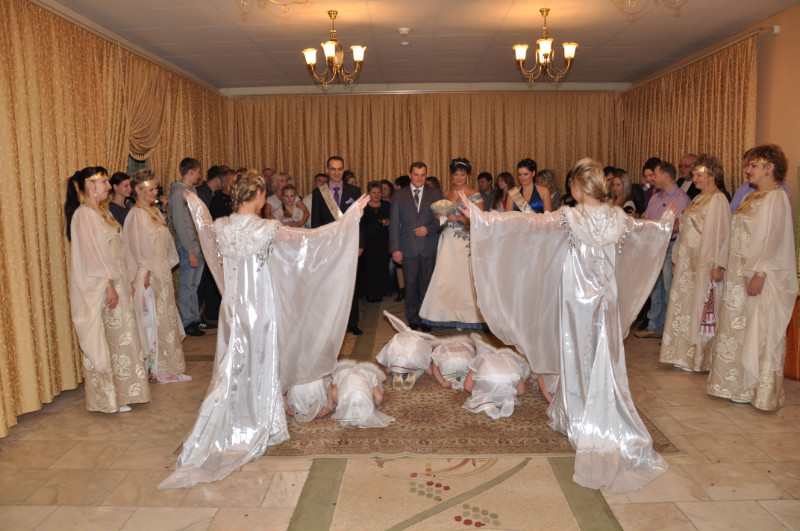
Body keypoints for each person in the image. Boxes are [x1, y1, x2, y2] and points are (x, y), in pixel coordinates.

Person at [463, 158, 674, 492]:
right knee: (604, 354)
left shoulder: (570, 216)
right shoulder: (618, 217)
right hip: (606, 299)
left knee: (577, 352)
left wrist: (483, 218)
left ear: (577, 187)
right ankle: (603, 411)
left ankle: (580, 413)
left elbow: (525, 223)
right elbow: (646, 231)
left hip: (578, 300)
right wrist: (666, 223)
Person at [159, 171, 366, 489]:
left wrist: (195, 203)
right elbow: (311, 240)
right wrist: (349, 219)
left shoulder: (222, 227)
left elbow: (203, 225)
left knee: (233, 364)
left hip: (233, 309)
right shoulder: (266, 228)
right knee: (261, 361)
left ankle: (231, 414)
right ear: (257, 195)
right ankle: (259, 420)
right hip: (259, 309)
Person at [707, 145, 797, 411]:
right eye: (747, 165)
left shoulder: (776, 197)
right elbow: (734, 232)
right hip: (738, 275)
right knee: (736, 328)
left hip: (757, 277)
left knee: (755, 328)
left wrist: (760, 273)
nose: (747, 170)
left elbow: (773, 238)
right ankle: (732, 384)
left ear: (769, 167)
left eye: (753, 165)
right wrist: (721, 263)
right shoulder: (750, 197)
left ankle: (752, 388)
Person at [64, 166, 151, 414]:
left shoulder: (102, 212)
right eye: (103, 182)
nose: (107, 186)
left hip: (117, 283)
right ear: (90, 185)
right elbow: (92, 255)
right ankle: (109, 398)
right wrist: (108, 285)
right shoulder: (84, 215)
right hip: (104, 287)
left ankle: (125, 392)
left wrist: (127, 278)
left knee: (121, 338)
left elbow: (117, 249)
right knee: (107, 339)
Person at [659, 155, 731, 373]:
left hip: (703, 261)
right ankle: (683, 354)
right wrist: (677, 258)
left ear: (712, 175)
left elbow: (721, 233)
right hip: (687, 261)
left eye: (700, 174)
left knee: (701, 306)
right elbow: (685, 229)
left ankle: (699, 357)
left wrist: (718, 264)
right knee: (686, 306)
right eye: (695, 174)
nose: (695, 178)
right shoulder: (699, 198)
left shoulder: (717, 199)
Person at [123, 169, 191, 383]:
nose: (155, 192)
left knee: (163, 319)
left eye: (155, 188)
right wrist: (144, 273)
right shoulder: (137, 214)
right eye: (151, 189)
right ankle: (154, 369)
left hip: (161, 273)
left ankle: (167, 365)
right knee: (151, 321)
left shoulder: (152, 211)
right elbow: (136, 247)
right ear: (138, 190)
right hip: (149, 276)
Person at [420, 157, 485, 329]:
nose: (458, 178)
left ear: (468, 176)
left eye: (462, 174)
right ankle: (445, 314)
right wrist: (440, 217)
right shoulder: (445, 194)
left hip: (465, 240)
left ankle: (467, 316)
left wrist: (459, 217)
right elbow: (439, 218)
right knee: (445, 277)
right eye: (456, 174)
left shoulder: (474, 195)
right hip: (448, 238)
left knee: (465, 279)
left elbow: (480, 219)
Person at [634, 161, 691, 339]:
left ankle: (670, 331)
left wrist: (655, 227)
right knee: (655, 288)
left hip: (670, 247)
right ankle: (655, 326)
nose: (652, 179)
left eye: (655, 175)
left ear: (666, 175)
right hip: (653, 247)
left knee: (669, 288)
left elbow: (677, 225)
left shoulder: (681, 198)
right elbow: (645, 218)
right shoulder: (656, 197)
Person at [311, 156, 364, 335]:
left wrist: (360, 244)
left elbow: (359, 221)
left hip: (349, 243)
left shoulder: (354, 191)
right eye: (333, 169)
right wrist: (318, 246)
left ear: (343, 170)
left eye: (339, 169)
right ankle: (330, 322)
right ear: (327, 170)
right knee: (330, 284)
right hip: (328, 244)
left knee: (350, 282)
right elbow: (316, 222)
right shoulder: (319, 193)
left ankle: (352, 322)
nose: (336, 172)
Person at [389, 161, 443, 332]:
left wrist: (428, 229)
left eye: (423, 175)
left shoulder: (435, 193)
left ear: (426, 175)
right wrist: (396, 248)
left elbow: (442, 219)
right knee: (411, 285)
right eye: (416, 175)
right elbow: (394, 223)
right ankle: (412, 318)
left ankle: (426, 318)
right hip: (408, 247)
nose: (419, 178)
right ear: (410, 175)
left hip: (429, 245)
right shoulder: (399, 195)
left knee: (427, 285)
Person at [168, 157, 208, 337]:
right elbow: (180, 224)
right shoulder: (178, 192)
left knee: (194, 284)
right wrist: (190, 251)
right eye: (198, 172)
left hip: (198, 242)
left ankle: (195, 317)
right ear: (191, 171)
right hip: (188, 245)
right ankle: (187, 321)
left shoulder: (191, 190)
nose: (199, 176)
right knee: (186, 285)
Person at [462, 336, 529, 419]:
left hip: (489, 377)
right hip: (509, 380)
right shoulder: (514, 359)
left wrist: (477, 392)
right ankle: (508, 398)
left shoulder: (482, 357)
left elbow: (467, 386)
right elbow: (521, 391)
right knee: (515, 388)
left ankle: (486, 401)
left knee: (480, 390)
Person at [327, 360, 394, 428]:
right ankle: (363, 409)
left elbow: (334, 394)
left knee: (346, 396)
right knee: (365, 397)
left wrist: (340, 404)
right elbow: (379, 398)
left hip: (345, 398)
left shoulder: (339, 373)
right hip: (364, 399)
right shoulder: (371, 374)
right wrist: (373, 404)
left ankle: (348, 409)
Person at [359, 181, 391, 302]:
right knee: (368, 267)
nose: (377, 195)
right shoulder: (363, 206)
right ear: (369, 193)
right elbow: (360, 225)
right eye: (374, 192)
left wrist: (389, 222)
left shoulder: (387, 205)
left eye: (379, 192)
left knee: (381, 265)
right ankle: (369, 292)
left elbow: (394, 220)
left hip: (382, 240)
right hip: (368, 241)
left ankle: (379, 291)